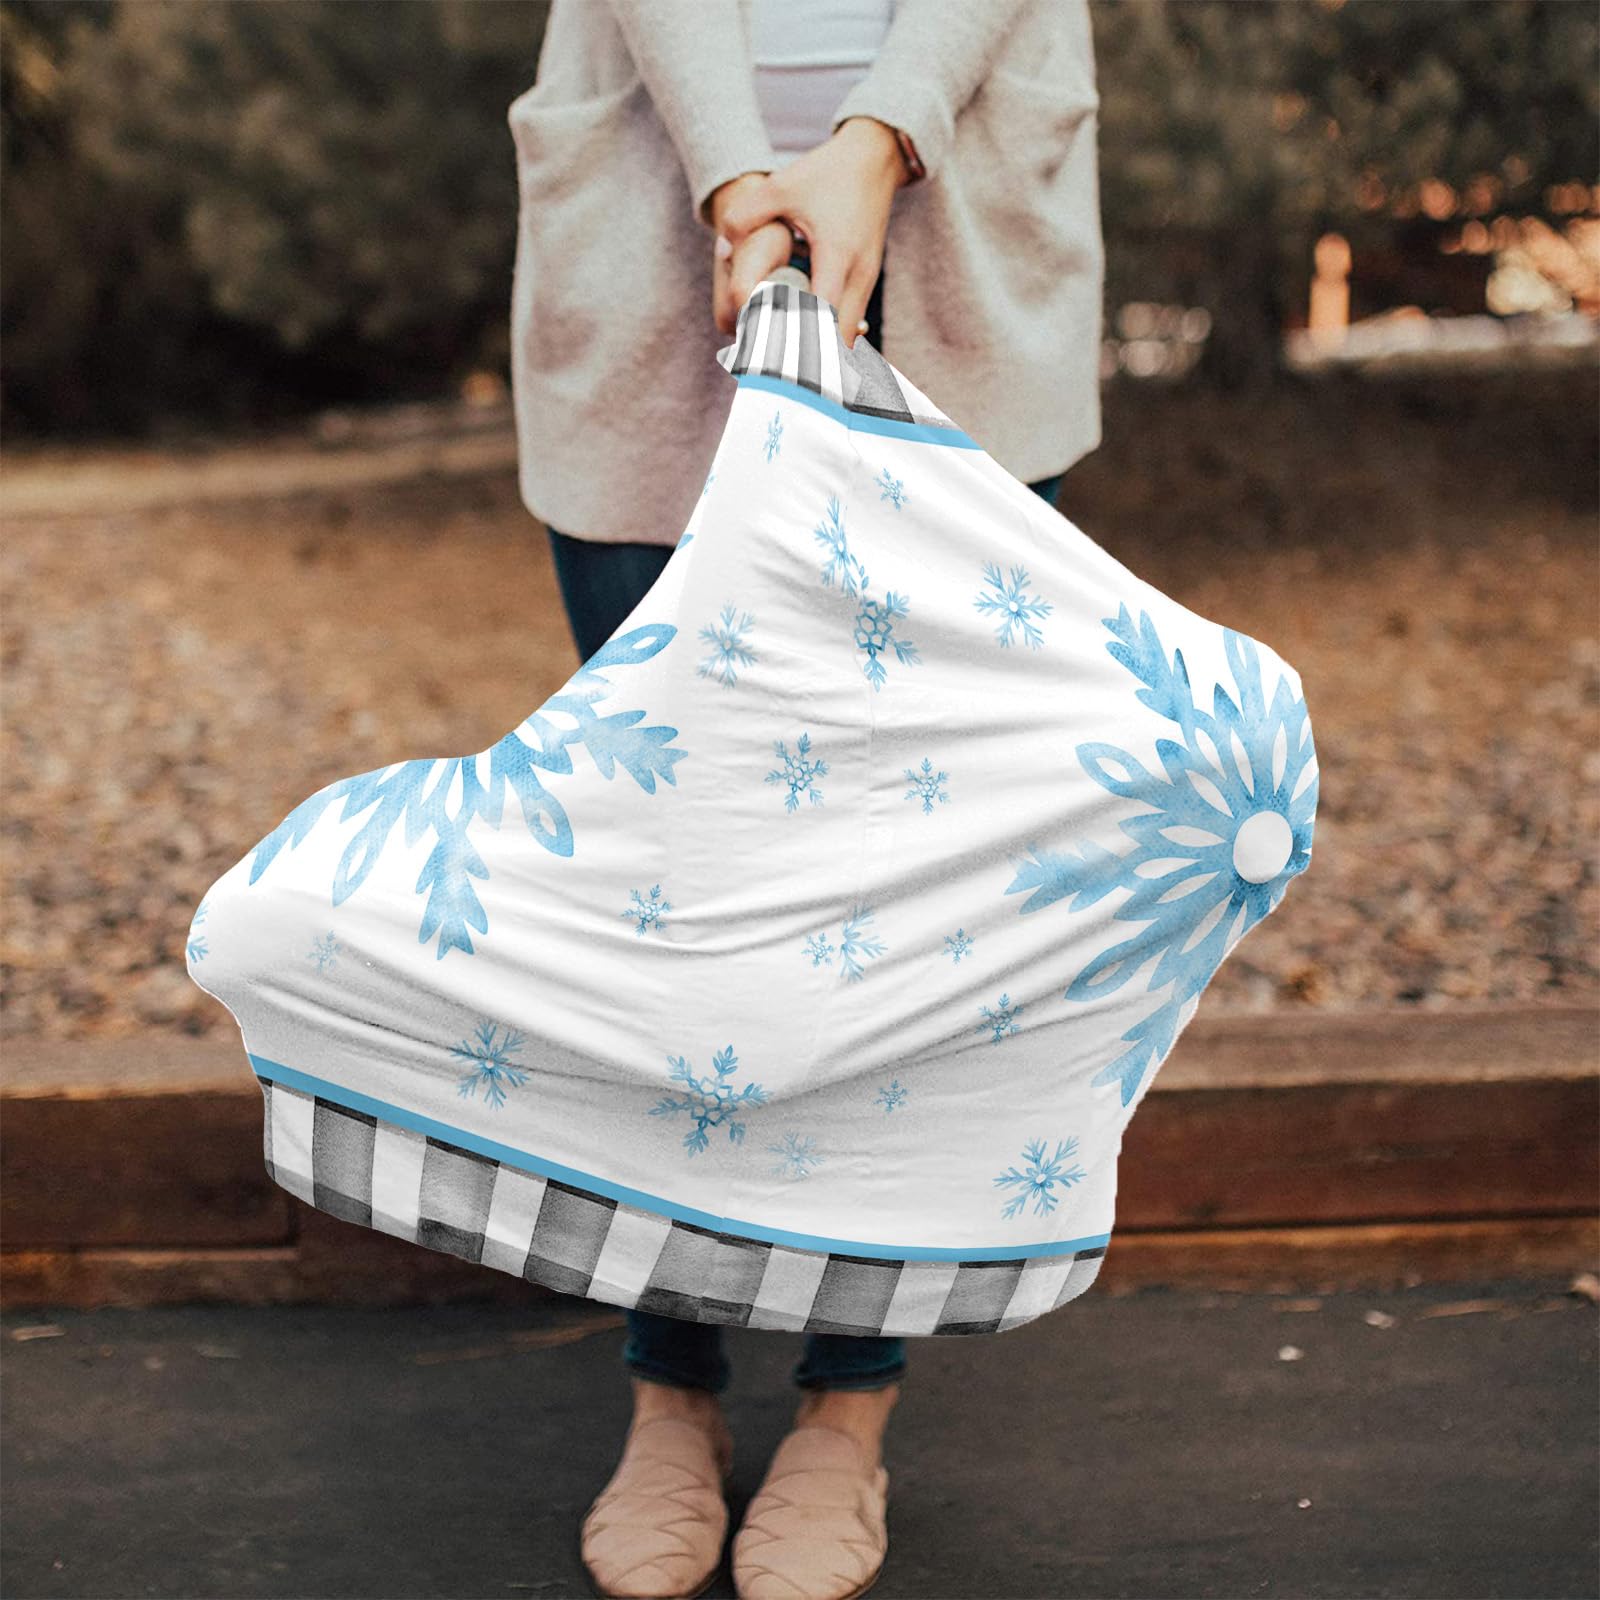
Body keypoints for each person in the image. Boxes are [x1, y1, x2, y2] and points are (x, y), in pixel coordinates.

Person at [506, 3, 1103, 1595]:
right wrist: (735, 179)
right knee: (671, 878)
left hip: (962, 225)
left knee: (903, 886)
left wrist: (879, 140)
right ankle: (672, 1384)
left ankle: (849, 1404)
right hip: (652, 219)